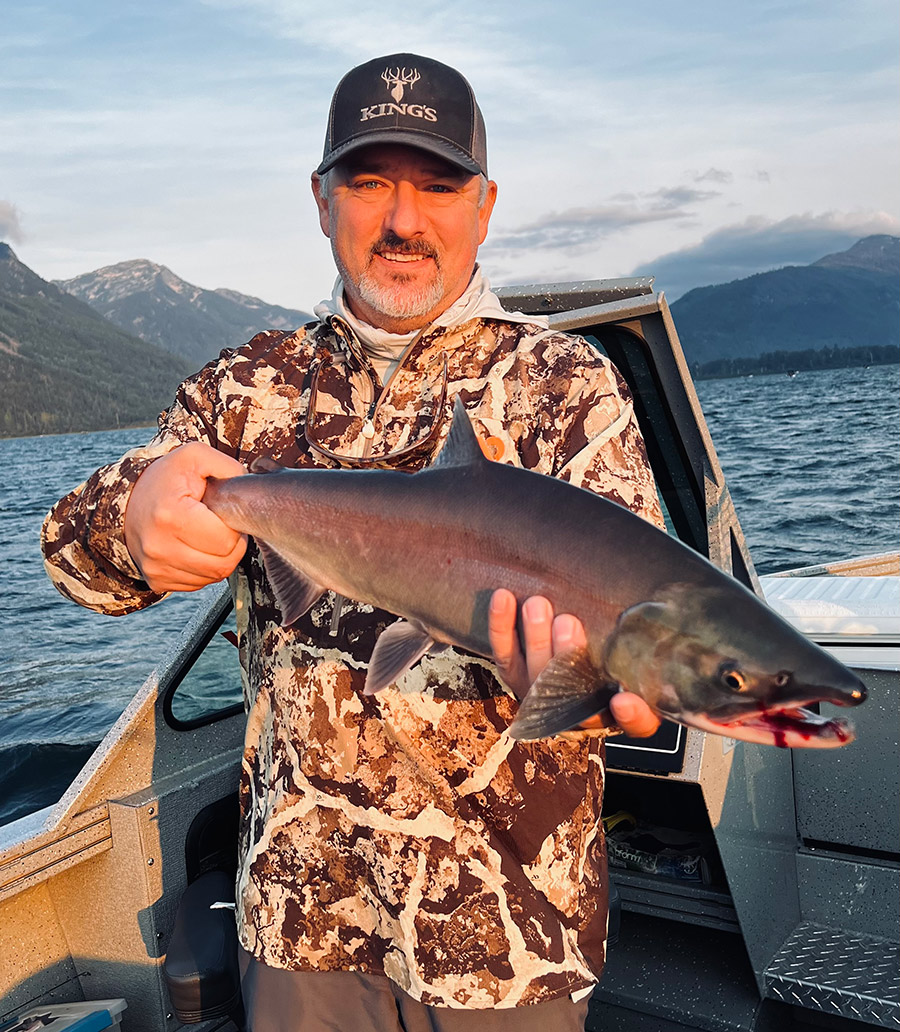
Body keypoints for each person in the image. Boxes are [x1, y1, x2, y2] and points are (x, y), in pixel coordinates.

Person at [42, 54, 664, 1031]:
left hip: (516, 943)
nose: (404, 219)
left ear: (486, 204)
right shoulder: (242, 393)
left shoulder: (568, 388)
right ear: (323, 198)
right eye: (371, 182)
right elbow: (67, 558)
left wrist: (609, 666)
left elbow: (643, 621)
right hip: (302, 924)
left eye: (439, 184)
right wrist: (127, 522)